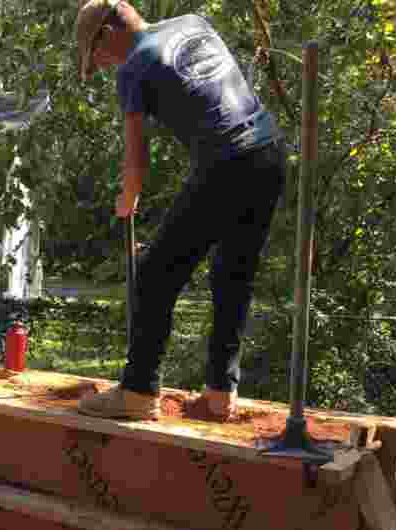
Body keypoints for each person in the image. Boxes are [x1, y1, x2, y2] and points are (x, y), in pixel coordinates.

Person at [74, 0, 286, 421]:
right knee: (233, 274)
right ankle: (220, 393)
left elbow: (137, 162)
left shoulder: (136, 64)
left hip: (226, 161)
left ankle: (137, 392)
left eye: (97, 54)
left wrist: (126, 200)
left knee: (155, 275)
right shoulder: (194, 22)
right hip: (269, 153)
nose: (103, 64)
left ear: (108, 33)